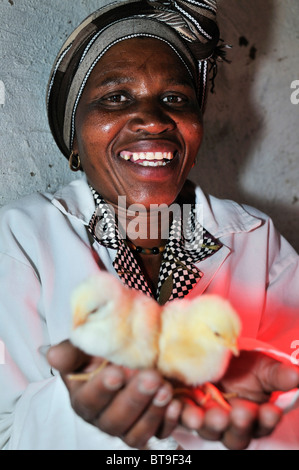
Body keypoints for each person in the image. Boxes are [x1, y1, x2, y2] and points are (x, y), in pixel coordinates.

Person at [0, 0, 299, 451]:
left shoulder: (258, 242)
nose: (154, 119)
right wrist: (84, 412)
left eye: (175, 99)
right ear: (74, 143)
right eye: (116, 97)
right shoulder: (22, 238)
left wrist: (270, 420)